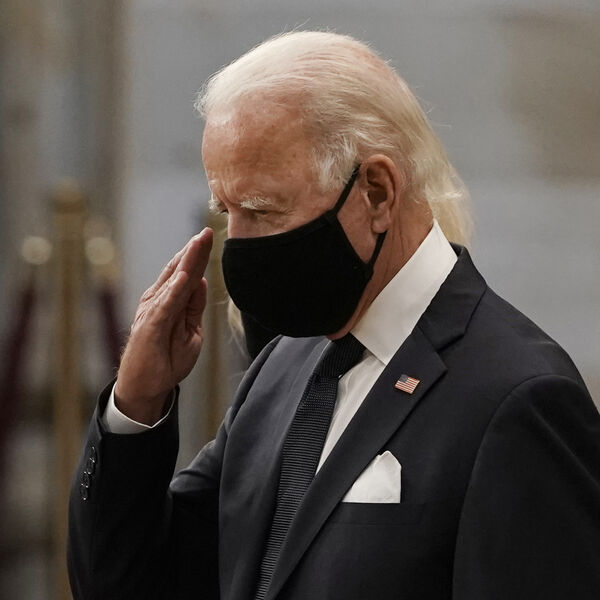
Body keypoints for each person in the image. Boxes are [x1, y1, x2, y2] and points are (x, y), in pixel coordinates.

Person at [68, 31, 600, 600]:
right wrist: (136, 404)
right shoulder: (284, 366)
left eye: (262, 210)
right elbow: (131, 583)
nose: (236, 244)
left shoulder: (519, 397)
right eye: (227, 211)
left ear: (377, 193)